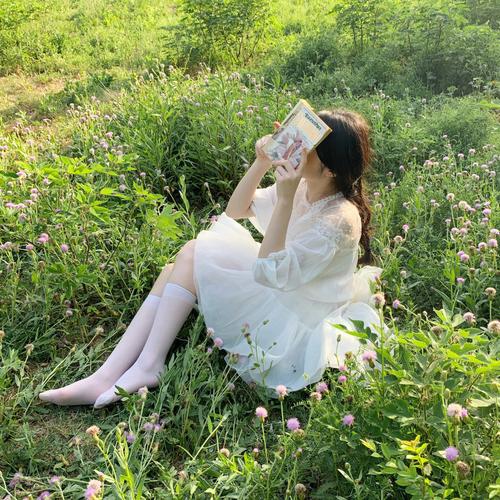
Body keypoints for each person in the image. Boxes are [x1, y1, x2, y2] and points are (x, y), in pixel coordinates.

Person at [38, 107, 389, 409]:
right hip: (278, 282)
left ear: (330, 169)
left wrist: (284, 199)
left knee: (192, 253)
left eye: (309, 146)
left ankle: (143, 367)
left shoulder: (339, 220)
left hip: (294, 317)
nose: (297, 148)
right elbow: (236, 210)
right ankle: (111, 373)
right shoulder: (305, 187)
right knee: (182, 261)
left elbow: (268, 273)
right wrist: (261, 162)